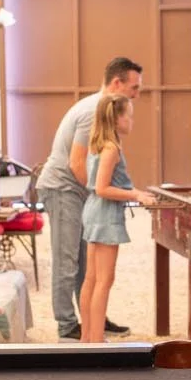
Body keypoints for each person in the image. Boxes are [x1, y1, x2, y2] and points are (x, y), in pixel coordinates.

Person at [41, 57, 143, 340]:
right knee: (67, 260)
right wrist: (100, 197)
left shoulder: (101, 114)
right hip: (64, 188)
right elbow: (77, 164)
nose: (136, 95)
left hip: (82, 191)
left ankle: (92, 322)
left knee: (88, 268)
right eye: (134, 88)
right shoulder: (92, 113)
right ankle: (67, 324)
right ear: (117, 84)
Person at [78, 94, 155, 343]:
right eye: (129, 116)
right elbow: (102, 188)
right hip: (105, 213)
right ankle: (97, 340)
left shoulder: (97, 145)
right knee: (104, 280)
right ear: (117, 119)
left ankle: (87, 338)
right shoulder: (112, 149)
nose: (132, 121)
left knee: (91, 278)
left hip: (93, 211)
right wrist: (136, 194)